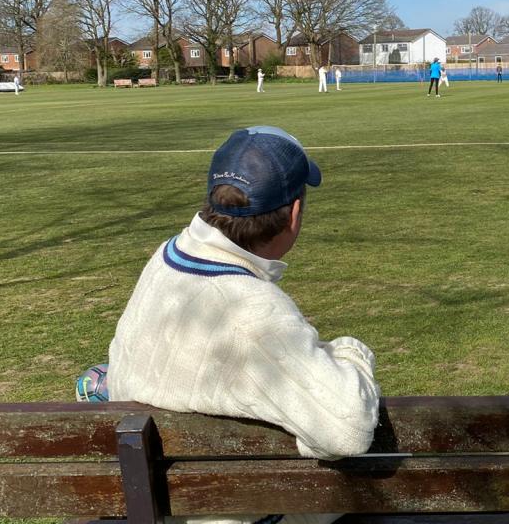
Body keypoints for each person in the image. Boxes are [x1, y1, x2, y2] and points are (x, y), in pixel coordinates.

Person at [109, 126, 380, 524]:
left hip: (150, 504)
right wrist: (350, 351)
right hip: (223, 511)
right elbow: (347, 430)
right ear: (294, 214)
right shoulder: (252, 312)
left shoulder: (168, 255)